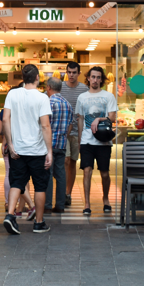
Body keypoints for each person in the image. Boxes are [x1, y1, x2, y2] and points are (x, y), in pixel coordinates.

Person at [2, 64, 53, 235]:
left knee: (17, 182)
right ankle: (38, 223)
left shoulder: (12, 94)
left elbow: (6, 120)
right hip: (37, 151)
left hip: (18, 150)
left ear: (22, 78)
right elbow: (45, 126)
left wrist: (10, 144)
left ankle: (10, 215)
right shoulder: (42, 98)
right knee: (39, 187)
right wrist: (49, 151)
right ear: (38, 78)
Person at [75, 66, 118, 216]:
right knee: (87, 171)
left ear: (102, 79)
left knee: (105, 173)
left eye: (98, 77)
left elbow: (112, 117)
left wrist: (99, 119)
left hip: (103, 141)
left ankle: (105, 198)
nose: (95, 80)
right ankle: (87, 204)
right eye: (93, 77)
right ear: (88, 78)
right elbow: (80, 119)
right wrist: (80, 140)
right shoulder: (82, 97)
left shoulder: (108, 96)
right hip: (87, 141)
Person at [0, 85, 34, 220]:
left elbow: (0, 130)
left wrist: (4, 142)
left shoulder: (6, 110)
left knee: (12, 176)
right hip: (24, 146)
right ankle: (21, 208)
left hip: (10, 145)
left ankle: (11, 207)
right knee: (24, 178)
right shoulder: (24, 108)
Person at [59, 62, 88, 208]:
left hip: (78, 132)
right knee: (65, 160)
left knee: (72, 163)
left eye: (74, 72)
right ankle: (62, 193)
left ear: (79, 73)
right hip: (62, 132)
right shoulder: (60, 87)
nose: (71, 75)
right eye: (69, 72)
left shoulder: (84, 88)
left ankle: (68, 193)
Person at [44, 76, 73, 215]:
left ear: (49, 87)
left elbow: (45, 124)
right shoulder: (67, 104)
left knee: (47, 174)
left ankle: (47, 206)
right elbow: (70, 125)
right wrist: (63, 136)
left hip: (48, 145)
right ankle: (60, 205)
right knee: (61, 175)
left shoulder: (48, 103)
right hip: (61, 144)